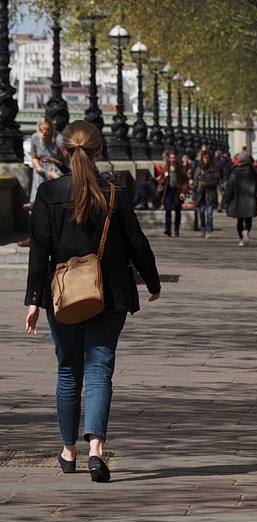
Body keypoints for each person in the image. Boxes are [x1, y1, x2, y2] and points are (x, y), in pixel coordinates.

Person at [24, 120, 161, 483]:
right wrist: (152, 280)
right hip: (108, 294)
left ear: (64, 152)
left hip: (63, 294)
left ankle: (68, 450)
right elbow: (136, 242)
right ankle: (96, 450)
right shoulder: (113, 192)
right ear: (99, 151)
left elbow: (40, 251)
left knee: (68, 370)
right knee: (99, 369)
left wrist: (34, 301)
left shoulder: (49, 193)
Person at [18, 118, 66, 247]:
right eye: (42, 129)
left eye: (47, 129)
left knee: (54, 204)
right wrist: (37, 166)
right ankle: (32, 236)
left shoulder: (58, 138)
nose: (45, 132)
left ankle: (53, 236)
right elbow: (34, 156)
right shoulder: (34, 137)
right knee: (34, 203)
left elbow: (66, 156)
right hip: (40, 171)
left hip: (54, 168)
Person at [223, 152, 257, 246]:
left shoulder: (235, 171)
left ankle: (241, 239)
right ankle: (246, 231)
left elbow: (230, 186)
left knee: (239, 220)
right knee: (248, 219)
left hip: (237, 198)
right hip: (250, 198)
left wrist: (226, 199)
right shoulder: (252, 171)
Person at [156, 151, 189, 236]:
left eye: (174, 158)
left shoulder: (181, 169)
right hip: (168, 191)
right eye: (171, 158)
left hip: (177, 190)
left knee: (177, 210)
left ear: (176, 159)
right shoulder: (165, 169)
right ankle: (168, 229)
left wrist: (183, 192)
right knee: (168, 209)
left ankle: (176, 229)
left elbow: (185, 182)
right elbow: (160, 180)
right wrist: (165, 177)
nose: (172, 160)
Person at [192, 150, 219, 238]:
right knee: (202, 212)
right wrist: (194, 192)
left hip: (210, 193)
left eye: (207, 158)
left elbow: (216, 181)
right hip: (201, 194)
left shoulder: (213, 169)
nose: (206, 160)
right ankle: (203, 228)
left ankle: (209, 230)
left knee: (210, 214)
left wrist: (207, 184)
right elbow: (195, 181)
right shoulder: (199, 168)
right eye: (204, 158)